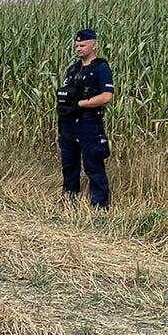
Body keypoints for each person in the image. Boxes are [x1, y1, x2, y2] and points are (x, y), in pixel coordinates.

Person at [56, 28, 114, 208]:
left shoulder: (101, 68)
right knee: (69, 164)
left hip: (89, 123)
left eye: (83, 45)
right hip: (69, 123)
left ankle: (99, 206)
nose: (79, 48)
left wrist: (81, 104)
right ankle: (69, 202)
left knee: (93, 165)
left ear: (94, 45)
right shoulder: (73, 69)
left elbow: (107, 96)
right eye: (77, 45)